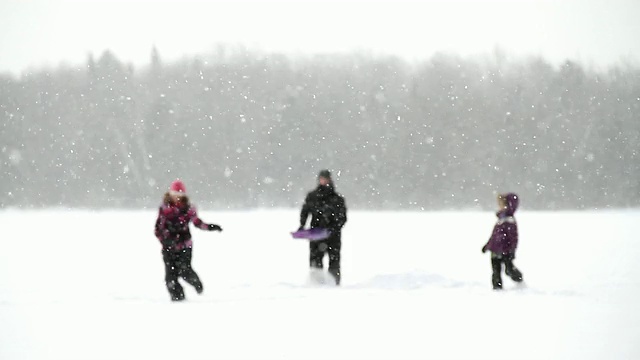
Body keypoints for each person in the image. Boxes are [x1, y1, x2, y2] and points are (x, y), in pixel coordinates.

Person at [154, 179, 223, 301]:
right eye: (175, 195)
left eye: (180, 195)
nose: (177, 198)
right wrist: (164, 240)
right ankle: (178, 299)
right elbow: (158, 228)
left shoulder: (189, 209)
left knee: (184, 271)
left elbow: (197, 222)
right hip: (168, 247)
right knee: (170, 278)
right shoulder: (164, 209)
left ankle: (197, 284)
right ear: (170, 194)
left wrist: (210, 227)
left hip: (185, 246)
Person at [299, 170, 347, 285]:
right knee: (315, 261)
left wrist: (334, 229)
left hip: (333, 236)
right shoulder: (312, 196)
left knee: (334, 262)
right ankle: (316, 284)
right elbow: (305, 211)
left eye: (326, 179)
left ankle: (334, 283)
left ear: (330, 179)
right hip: (316, 234)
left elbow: (343, 217)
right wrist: (302, 225)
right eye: (322, 178)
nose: (324, 181)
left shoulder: (337, 199)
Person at [482, 192, 524, 290]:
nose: (500, 206)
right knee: (496, 271)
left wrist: (512, 250)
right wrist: (487, 246)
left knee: (509, 269)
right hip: (494, 250)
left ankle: (519, 280)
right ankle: (497, 288)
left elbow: (513, 238)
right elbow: (494, 236)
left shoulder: (509, 220)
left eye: (502, 204)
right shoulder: (500, 218)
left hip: (506, 250)